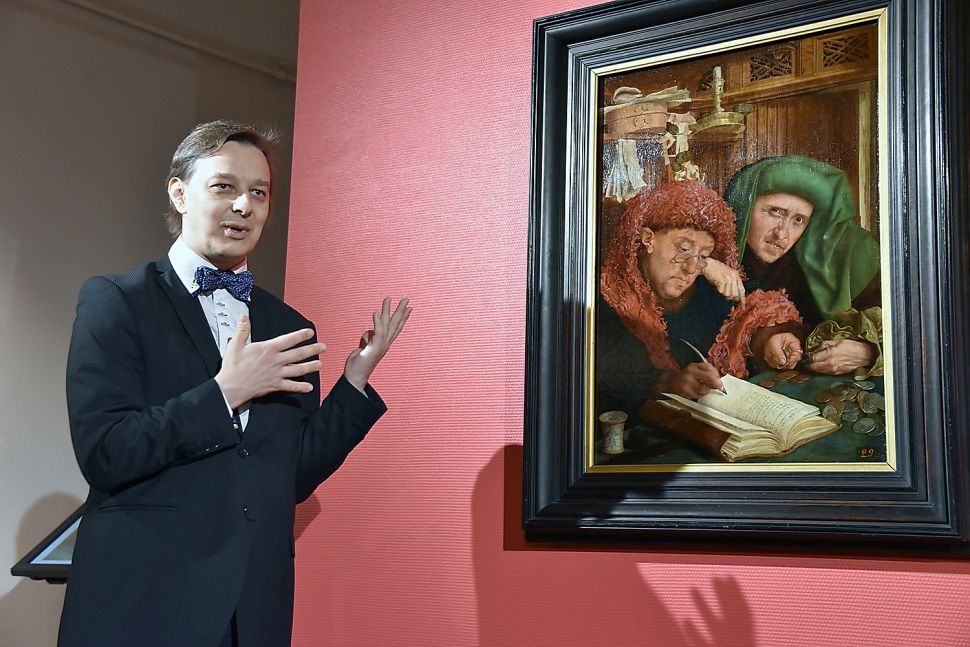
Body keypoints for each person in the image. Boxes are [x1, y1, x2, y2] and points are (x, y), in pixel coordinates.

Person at [57, 120, 411, 647]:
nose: (244, 205)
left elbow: (289, 478)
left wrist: (353, 383)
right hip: (146, 598)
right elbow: (106, 452)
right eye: (224, 186)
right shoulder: (117, 300)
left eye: (259, 193)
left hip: (251, 607)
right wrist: (225, 393)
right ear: (180, 194)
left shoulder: (289, 326)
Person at [597, 180, 803, 422]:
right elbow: (607, 390)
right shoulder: (608, 303)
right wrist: (670, 385)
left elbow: (747, 309)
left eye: (704, 257)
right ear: (648, 239)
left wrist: (767, 340)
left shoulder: (703, 289)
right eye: (683, 249)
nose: (690, 268)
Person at [705, 155, 882, 377]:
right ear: (745, 208)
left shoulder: (832, 261)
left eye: (798, 220)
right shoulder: (713, 257)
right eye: (775, 212)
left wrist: (867, 352)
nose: (782, 234)